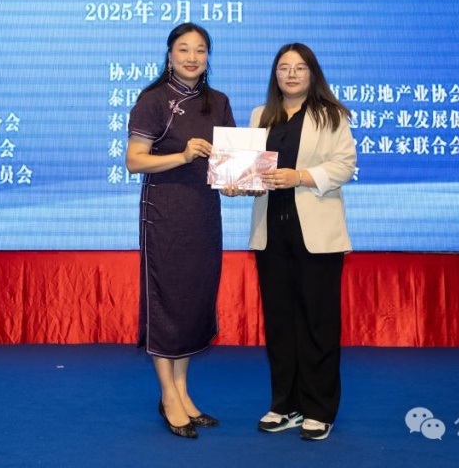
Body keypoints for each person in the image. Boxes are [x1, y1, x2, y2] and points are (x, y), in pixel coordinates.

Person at [238, 43, 356, 441]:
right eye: (284, 68)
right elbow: (249, 171)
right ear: (275, 74)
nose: (291, 74)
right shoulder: (261, 115)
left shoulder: (331, 114)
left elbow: (344, 165)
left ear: (312, 73)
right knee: (279, 323)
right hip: (271, 232)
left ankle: (319, 409)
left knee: (317, 323)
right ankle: (284, 405)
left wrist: (300, 176)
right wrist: (239, 183)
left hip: (316, 234)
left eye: (300, 68)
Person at [125, 23, 235, 439]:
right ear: (169, 55)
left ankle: (183, 391)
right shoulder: (153, 100)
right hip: (164, 214)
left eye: (200, 50)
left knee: (192, 301)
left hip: (204, 214)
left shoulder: (218, 102)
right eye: (183, 49)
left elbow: (229, 163)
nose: (192, 57)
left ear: (209, 57)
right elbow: (134, 160)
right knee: (167, 301)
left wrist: (238, 180)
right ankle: (168, 395)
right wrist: (183, 156)